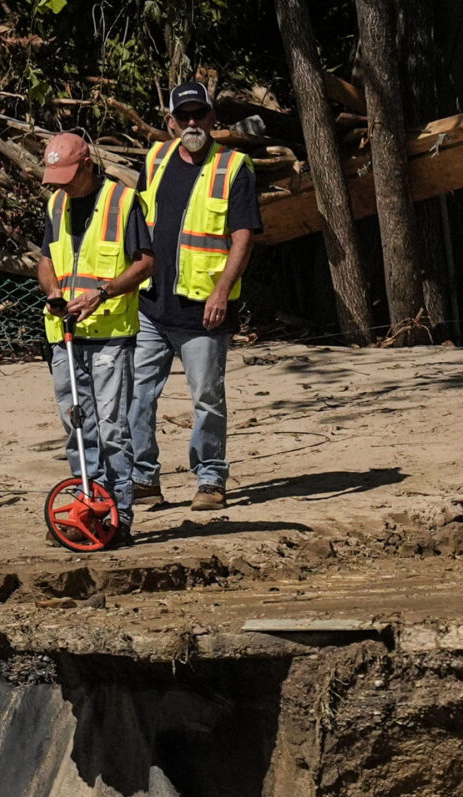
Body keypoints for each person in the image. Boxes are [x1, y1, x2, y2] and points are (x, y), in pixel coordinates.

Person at [130, 84, 264, 512]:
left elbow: (243, 236)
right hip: (152, 306)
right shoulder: (155, 159)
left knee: (206, 397)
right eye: (183, 116)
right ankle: (143, 478)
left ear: (212, 118)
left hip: (204, 310)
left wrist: (222, 291)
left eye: (199, 115)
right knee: (137, 394)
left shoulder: (234, 167)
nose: (192, 124)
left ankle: (210, 479)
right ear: (170, 121)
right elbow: (138, 223)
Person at [33, 130, 153, 548]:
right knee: (76, 428)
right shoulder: (55, 203)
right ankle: (87, 506)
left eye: (67, 176)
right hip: (64, 334)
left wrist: (103, 293)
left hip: (110, 335)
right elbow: (46, 261)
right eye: (56, 179)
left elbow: (146, 263)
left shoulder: (122, 201)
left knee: (112, 430)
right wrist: (52, 293)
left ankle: (117, 517)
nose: (61, 186)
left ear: (87, 165)